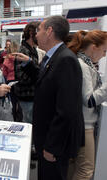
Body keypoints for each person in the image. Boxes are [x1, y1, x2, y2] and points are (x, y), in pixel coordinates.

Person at [15, 16, 85, 180]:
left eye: (39, 30)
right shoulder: (54, 57)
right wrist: (28, 63)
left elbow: (66, 111)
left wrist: (53, 147)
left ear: (49, 31)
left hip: (54, 144)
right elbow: (46, 80)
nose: (36, 35)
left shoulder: (65, 60)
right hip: (46, 138)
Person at [67, 30, 107, 180]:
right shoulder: (83, 66)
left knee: (76, 166)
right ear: (94, 47)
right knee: (86, 169)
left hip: (82, 123)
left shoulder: (84, 64)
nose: (104, 55)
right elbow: (89, 100)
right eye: (104, 50)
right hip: (85, 126)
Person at [14, 21, 40, 124]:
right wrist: (38, 74)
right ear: (31, 32)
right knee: (28, 125)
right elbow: (21, 77)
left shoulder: (33, 49)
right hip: (26, 96)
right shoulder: (23, 51)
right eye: (38, 31)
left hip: (32, 95)